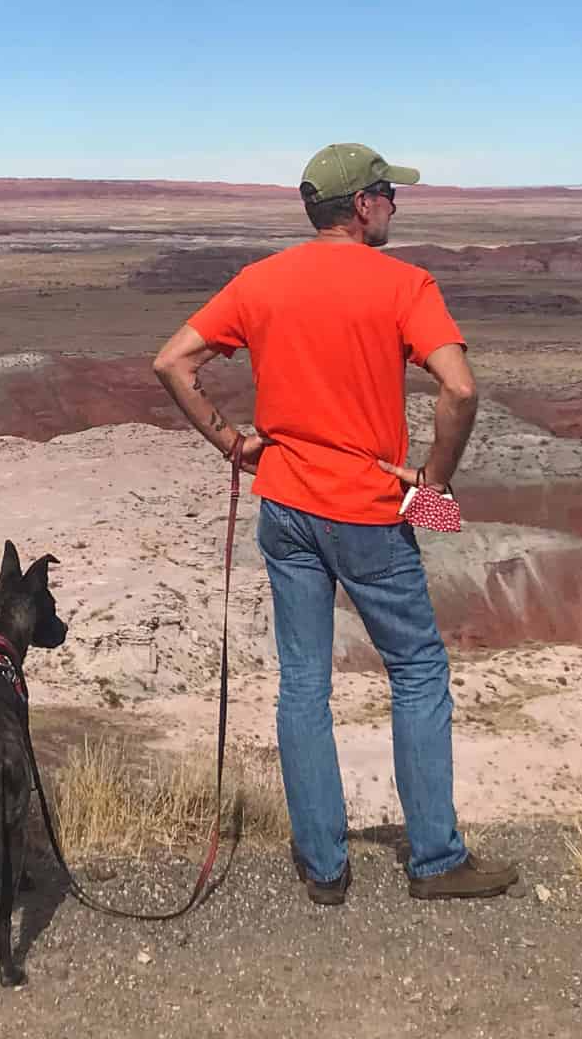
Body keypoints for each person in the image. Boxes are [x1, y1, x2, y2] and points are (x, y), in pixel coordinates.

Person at [153, 142, 521, 904]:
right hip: (366, 508)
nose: (395, 204)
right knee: (417, 670)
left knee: (302, 685)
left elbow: (172, 363)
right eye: (389, 192)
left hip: (284, 505)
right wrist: (433, 482)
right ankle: (435, 860)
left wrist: (233, 443)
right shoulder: (404, 284)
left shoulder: (261, 281)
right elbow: (459, 389)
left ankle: (323, 869)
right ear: (362, 204)